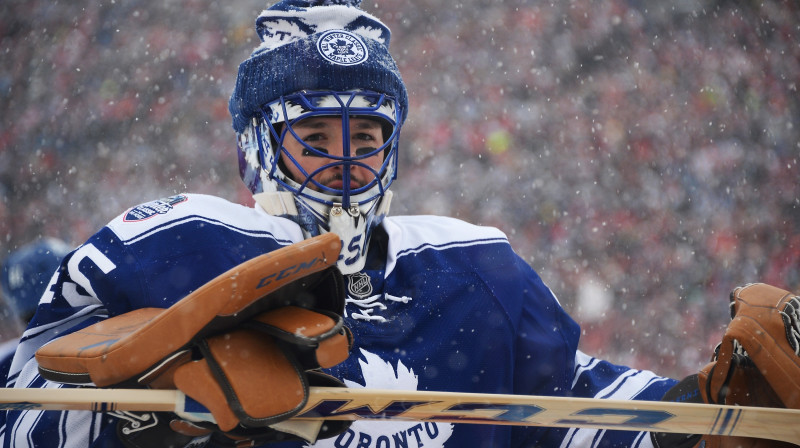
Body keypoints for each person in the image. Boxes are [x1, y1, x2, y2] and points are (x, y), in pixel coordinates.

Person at [2, 1, 797, 447]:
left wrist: (690, 416)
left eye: (368, 136)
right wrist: (143, 420)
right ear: (256, 145)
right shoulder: (180, 243)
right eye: (314, 138)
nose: (347, 163)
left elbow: (572, 408)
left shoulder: (468, 267)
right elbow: (20, 403)